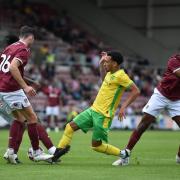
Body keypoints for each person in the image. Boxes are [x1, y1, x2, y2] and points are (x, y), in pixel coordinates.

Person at [57, 51, 140, 164]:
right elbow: (104, 80)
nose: (105, 63)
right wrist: (101, 65)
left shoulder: (122, 76)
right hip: (93, 110)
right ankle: (56, 155)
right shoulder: (110, 73)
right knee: (69, 127)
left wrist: (123, 107)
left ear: (115, 64)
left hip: (103, 115)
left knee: (97, 146)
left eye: (107, 62)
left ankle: (124, 154)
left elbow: (136, 91)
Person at [0, 26, 67, 164]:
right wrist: (25, 86)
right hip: (12, 90)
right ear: (31, 37)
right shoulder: (23, 50)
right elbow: (12, 67)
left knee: (19, 119)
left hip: (2, 89)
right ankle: (37, 151)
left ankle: (12, 152)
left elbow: (5, 68)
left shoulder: (10, 47)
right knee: (32, 119)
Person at [112, 54, 180, 166]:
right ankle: (126, 155)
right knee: (143, 125)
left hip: (177, 100)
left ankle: (179, 158)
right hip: (161, 96)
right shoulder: (174, 60)